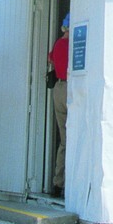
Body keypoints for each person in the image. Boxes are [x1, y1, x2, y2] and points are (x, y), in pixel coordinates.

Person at [48, 14, 69, 198]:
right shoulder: (72, 44)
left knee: (65, 140)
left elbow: (52, 60)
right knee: (76, 139)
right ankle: (71, 184)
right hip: (71, 88)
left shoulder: (58, 44)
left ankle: (58, 183)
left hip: (59, 88)